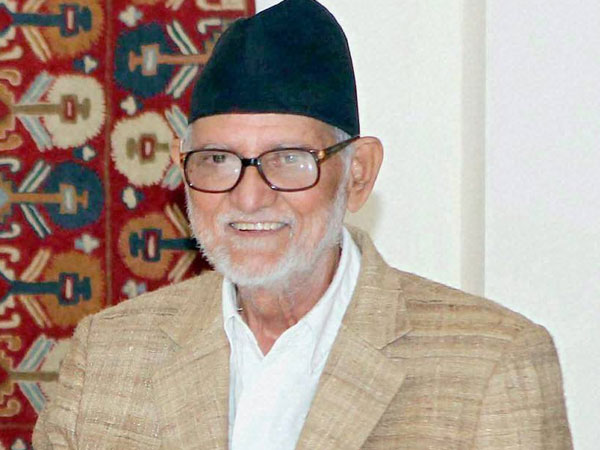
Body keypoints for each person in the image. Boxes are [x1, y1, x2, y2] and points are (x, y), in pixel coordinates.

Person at [33, 0, 573, 448]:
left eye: (289, 159)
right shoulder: (107, 356)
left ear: (357, 174)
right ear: (182, 168)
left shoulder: (491, 365)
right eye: (217, 159)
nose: (249, 197)